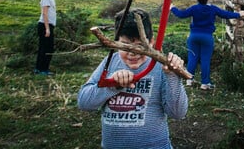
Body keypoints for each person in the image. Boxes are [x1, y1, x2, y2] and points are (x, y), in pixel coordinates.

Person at [77, 8, 188, 149]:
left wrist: (172, 76)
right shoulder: (110, 62)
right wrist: (111, 85)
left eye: (140, 46)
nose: (133, 53)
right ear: (115, 42)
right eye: (125, 45)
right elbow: (84, 102)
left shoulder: (161, 67)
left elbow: (178, 113)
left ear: (151, 42)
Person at [170, 0, 240, 90]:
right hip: (207, 37)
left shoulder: (194, 8)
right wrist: (238, 15)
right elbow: (225, 14)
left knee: (192, 58)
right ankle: (205, 83)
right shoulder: (213, 9)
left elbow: (181, 14)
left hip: (193, 36)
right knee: (205, 60)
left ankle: (189, 79)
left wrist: (172, 7)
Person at [35, 0, 57, 76]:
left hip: (48, 25)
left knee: (44, 47)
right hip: (45, 25)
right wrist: (47, 28)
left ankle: (39, 68)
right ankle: (43, 69)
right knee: (47, 48)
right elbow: (44, 13)